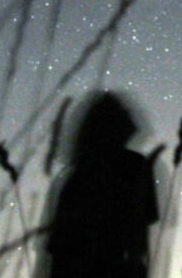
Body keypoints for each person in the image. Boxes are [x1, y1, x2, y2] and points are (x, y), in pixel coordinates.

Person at [43, 91, 159, 278]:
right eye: (124, 112)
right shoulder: (134, 165)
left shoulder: (77, 174)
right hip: (115, 267)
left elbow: (59, 246)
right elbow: (141, 229)